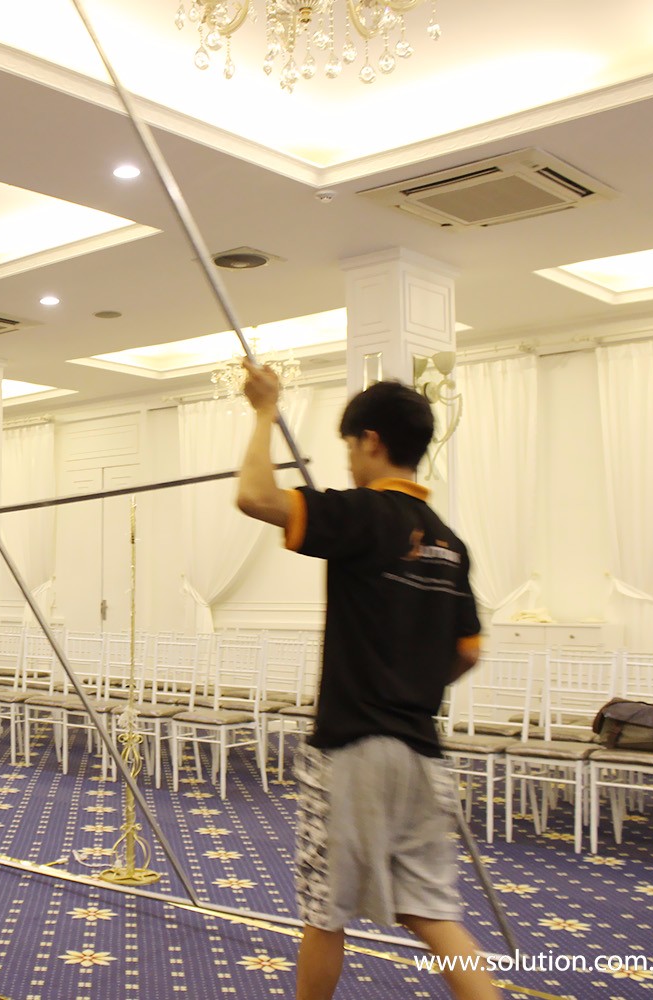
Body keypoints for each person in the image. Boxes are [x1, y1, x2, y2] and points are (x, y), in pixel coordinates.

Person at [234, 362, 500, 1000]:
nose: (349, 462)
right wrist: (412, 679)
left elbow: (254, 496)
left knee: (324, 912)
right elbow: (467, 652)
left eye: (350, 447)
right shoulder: (450, 544)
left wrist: (264, 410)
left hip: (353, 747)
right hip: (421, 752)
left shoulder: (363, 513)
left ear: (372, 441)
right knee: (433, 914)